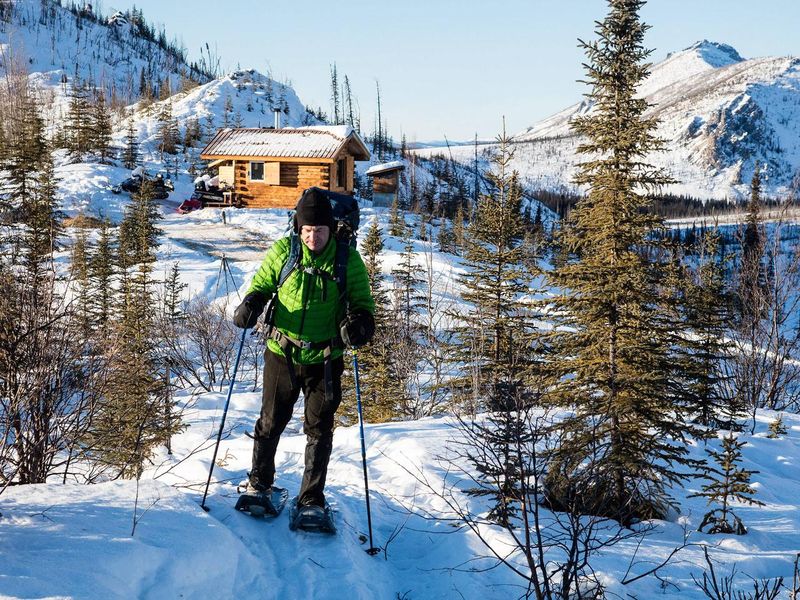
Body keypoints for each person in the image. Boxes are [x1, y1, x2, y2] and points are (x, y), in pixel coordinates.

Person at [233, 187, 375, 513]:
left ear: (331, 228)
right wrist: (251, 303)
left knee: (320, 428)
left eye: (320, 230)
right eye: (307, 230)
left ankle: (311, 498)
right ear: (299, 228)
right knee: (270, 421)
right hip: (282, 352)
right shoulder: (285, 251)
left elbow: (364, 306)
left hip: (325, 360)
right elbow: (262, 285)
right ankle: (259, 484)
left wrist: (360, 325)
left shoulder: (346, 259)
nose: (313, 237)